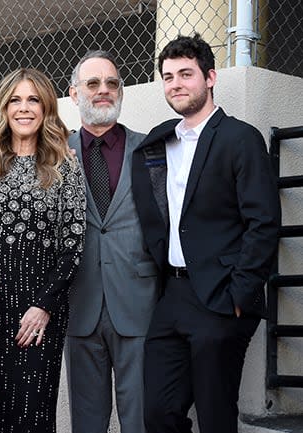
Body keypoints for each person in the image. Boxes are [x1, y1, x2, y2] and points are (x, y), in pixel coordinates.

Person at [131, 34, 280, 433]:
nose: (176, 84)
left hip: (221, 297)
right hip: (173, 295)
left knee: (215, 416)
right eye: (167, 77)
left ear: (210, 77)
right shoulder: (158, 143)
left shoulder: (239, 138)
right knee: (159, 413)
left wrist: (240, 295)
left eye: (186, 74)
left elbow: (263, 223)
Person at [0, 68, 86, 433]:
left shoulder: (65, 167)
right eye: (15, 99)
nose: (24, 108)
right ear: (3, 107)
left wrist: (44, 306)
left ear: (46, 107)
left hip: (39, 310)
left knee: (32, 412)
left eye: (33, 99)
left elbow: (73, 246)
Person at [64, 50, 159, 433]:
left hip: (138, 300)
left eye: (112, 83)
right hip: (79, 302)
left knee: (141, 417)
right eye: (93, 83)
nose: (104, 90)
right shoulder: (54, 152)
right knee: (87, 421)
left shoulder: (151, 148)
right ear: (73, 94)